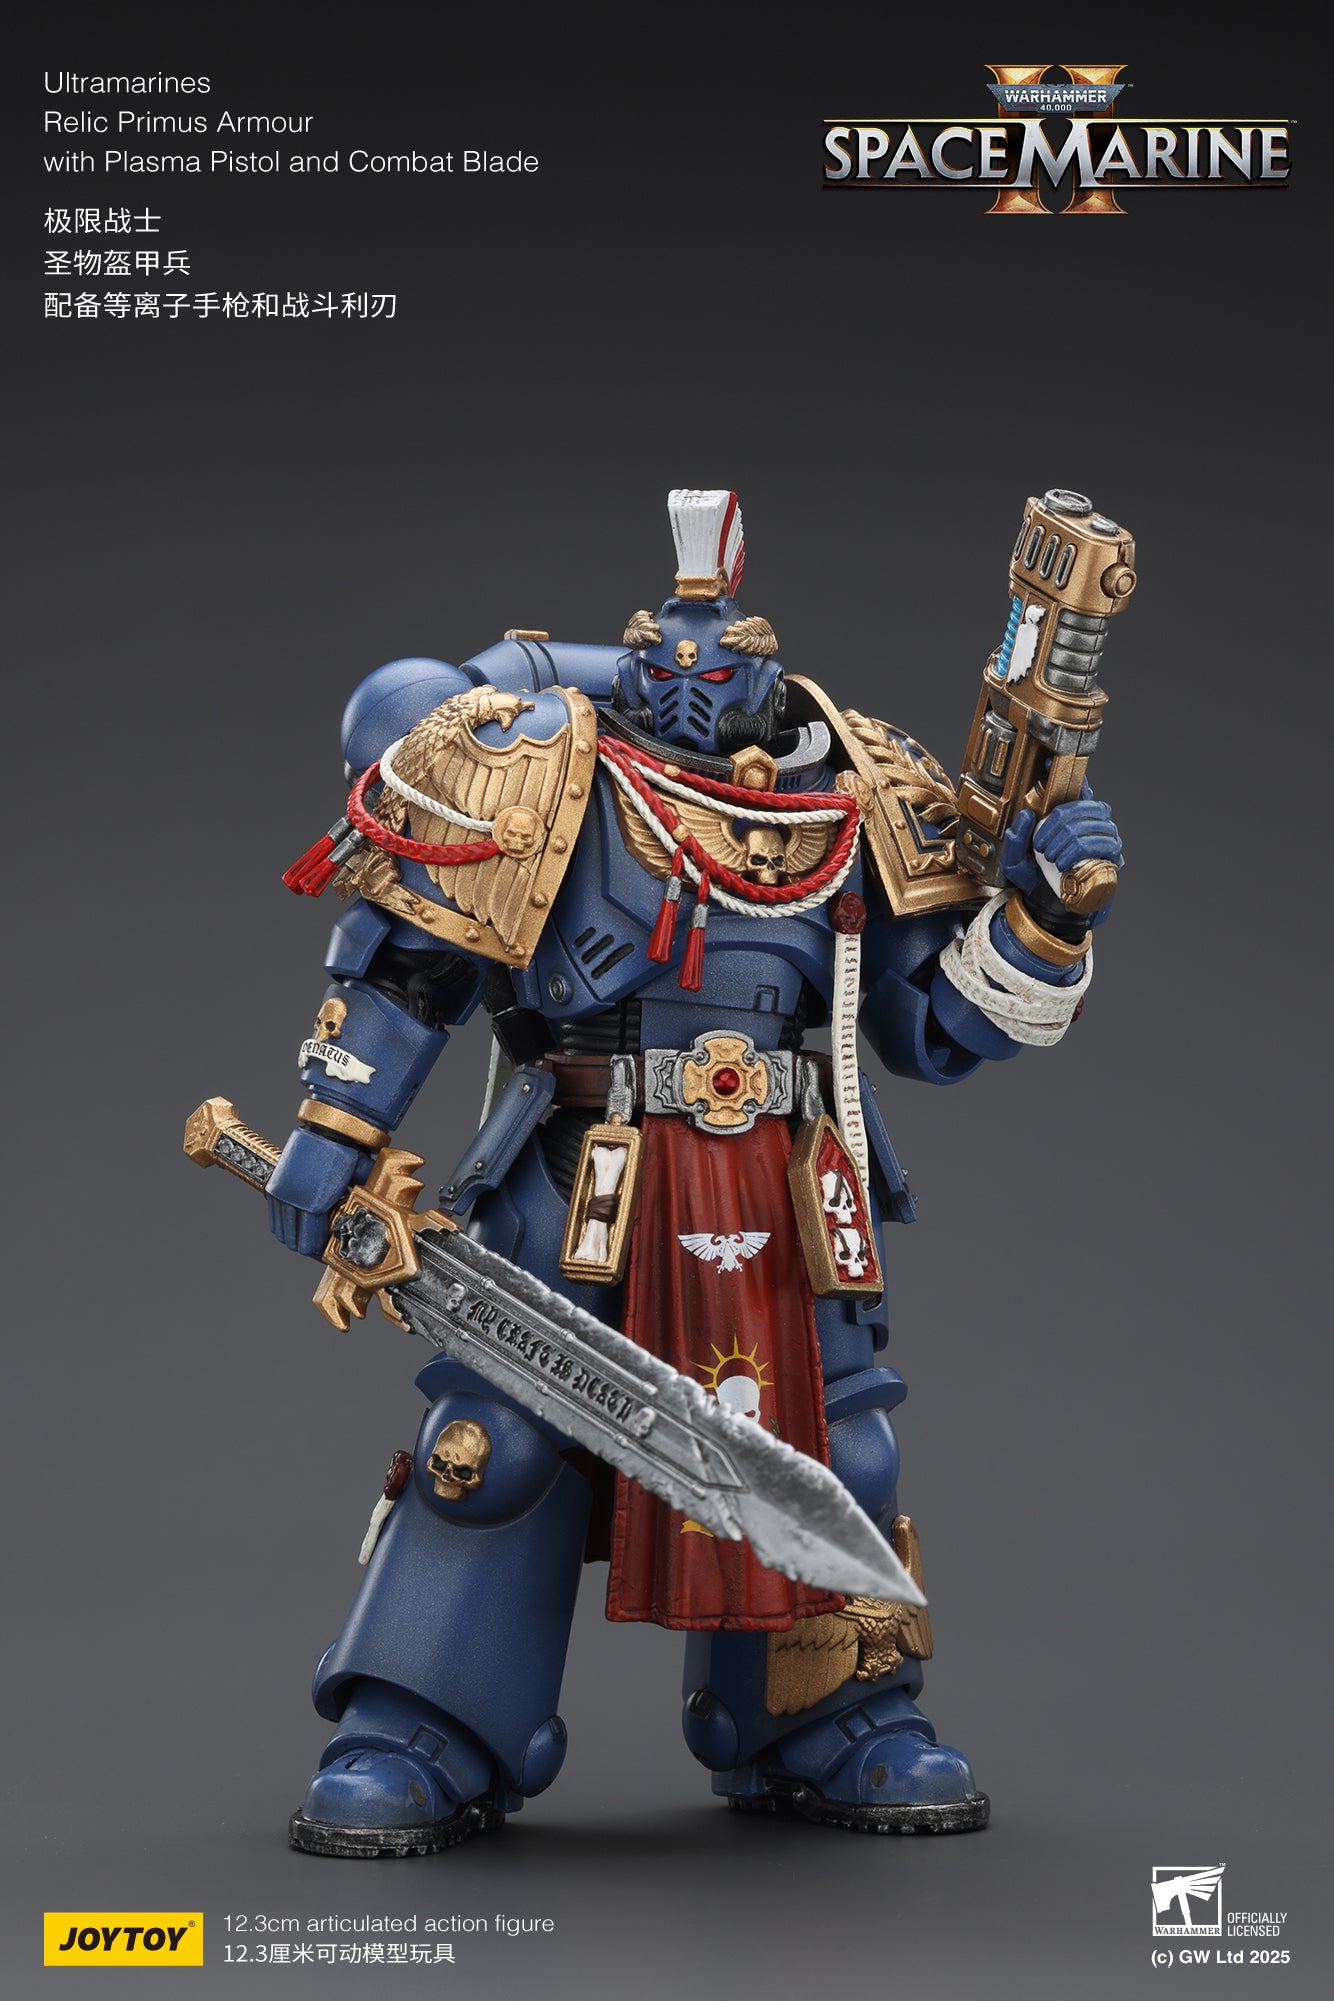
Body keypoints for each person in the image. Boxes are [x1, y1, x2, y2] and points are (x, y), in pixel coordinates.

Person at [265, 488, 1122, 1855]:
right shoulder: (549, 771)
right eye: (665, 657)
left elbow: (936, 1031)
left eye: (723, 659)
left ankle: (823, 1714)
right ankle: (425, 1717)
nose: (693, 676)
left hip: (784, 1191)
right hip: (582, 1173)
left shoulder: (857, 793)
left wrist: (1042, 916)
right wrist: (334, 1128)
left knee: (837, 1447)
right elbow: (416, 963)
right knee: (501, 1440)